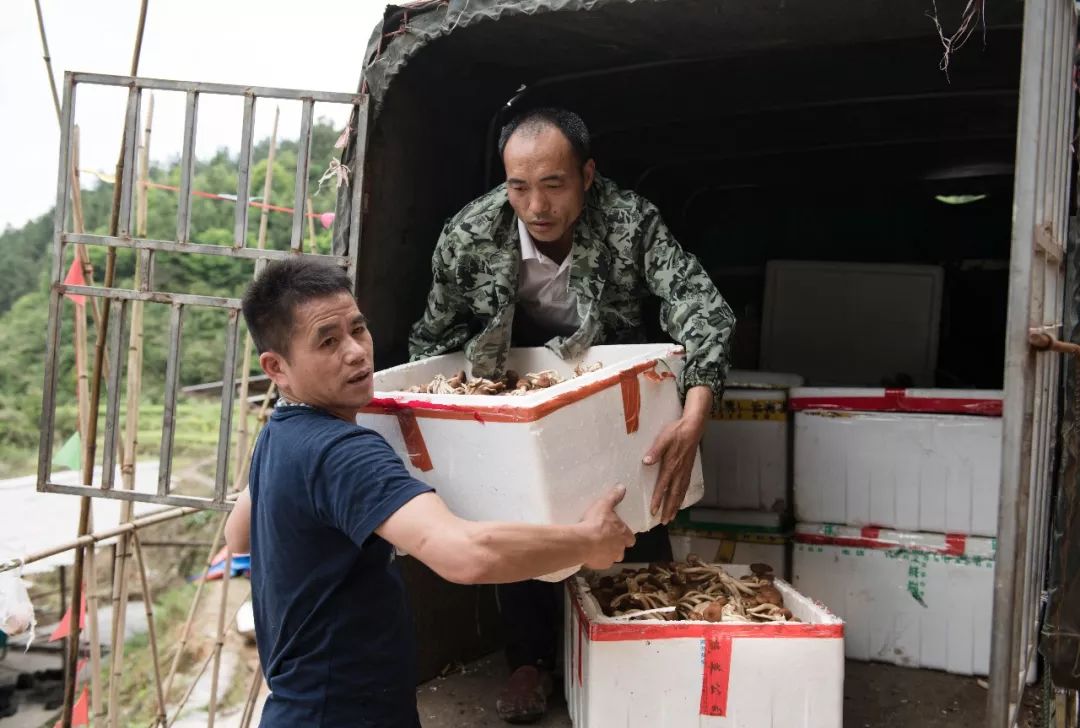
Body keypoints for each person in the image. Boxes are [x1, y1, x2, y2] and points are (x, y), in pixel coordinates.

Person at [408, 107, 735, 723]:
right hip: (514, 388)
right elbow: (434, 336)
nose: (536, 205)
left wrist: (694, 417)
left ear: (587, 174)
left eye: (554, 184)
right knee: (524, 519)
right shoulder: (470, 234)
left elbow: (700, 306)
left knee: (634, 508)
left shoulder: (629, 219)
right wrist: (460, 435)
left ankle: (645, 650)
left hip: (613, 388)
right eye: (518, 186)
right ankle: (529, 660)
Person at [224, 258, 635, 728]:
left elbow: (238, 535)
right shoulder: (344, 452)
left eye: (358, 329)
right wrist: (588, 541)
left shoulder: (280, 434)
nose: (356, 352)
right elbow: (466, 555)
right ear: (276, 367)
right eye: (328, 342)